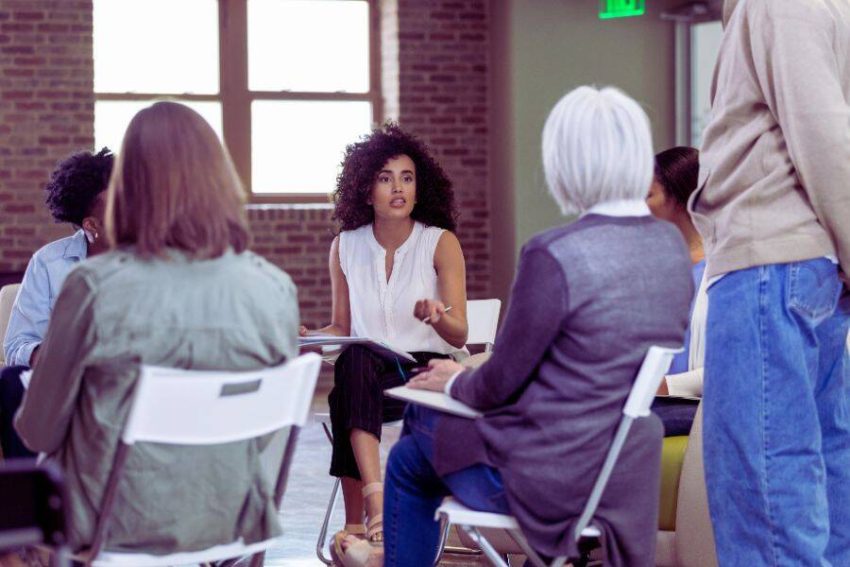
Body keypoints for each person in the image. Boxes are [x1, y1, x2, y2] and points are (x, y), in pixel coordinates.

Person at [343, 86, 693, 567]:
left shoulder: (554, 254)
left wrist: (458, 378)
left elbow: (500, 384)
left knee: (412, 446)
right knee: (426, 430)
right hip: (619, 474)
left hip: (547, 481)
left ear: (562, 163)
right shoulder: (669, 250)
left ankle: (391, 559)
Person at [13, 101, 300, 553]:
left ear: (130, 187)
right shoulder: (273, 288)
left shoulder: (94, 287)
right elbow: (263, 435)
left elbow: (38, 432)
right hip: (228, 517)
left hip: (111, 521)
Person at [693, 0, 850, 564]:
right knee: (820, 479)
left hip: (770, 269)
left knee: (764, 487)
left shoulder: (777, 4)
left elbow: (828, 141)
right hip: (809, 269)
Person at [301, 123, 468, 565]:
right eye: (385, 177)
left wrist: (438, 314)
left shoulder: (440, 242)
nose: (398, 187)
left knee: (346, 389)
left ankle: (359, 521)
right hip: (368, 375)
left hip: (425, 370)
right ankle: (377, 510)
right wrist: (311, 337)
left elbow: (461, 334)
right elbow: (342, 326)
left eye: (407, 177)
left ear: (419, 188)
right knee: (354, 361)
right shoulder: (345, 246)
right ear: (366, 190)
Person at [0, 148, 113, 459]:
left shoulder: (155, 257)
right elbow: (17, 345)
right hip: (66, 379)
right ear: (92, 225)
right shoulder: (49, 263)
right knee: (9, 383)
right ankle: (30, 493)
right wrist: (51, 358)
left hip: (127, 375)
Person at [646, 147, 706, 436]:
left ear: (680, 200)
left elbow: (739, 367)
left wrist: (669, 385)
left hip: (695, 406)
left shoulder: (726, 274)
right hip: (649, 401)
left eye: (648, 196)